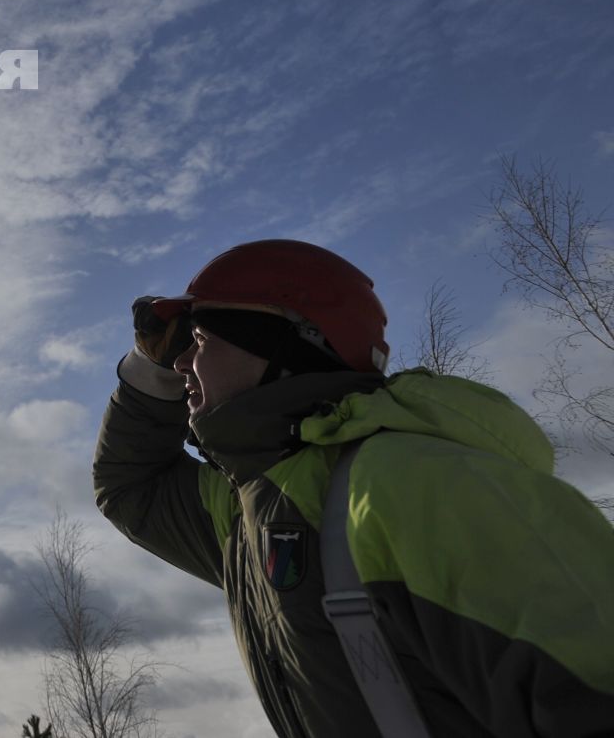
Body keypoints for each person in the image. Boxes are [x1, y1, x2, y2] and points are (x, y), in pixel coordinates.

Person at [92, 237, 614, 737]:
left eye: (199, 342)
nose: (180, 362)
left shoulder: (416, 480)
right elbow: (129, 484)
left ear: (282, 349)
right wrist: (149, 367)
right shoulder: (251, 510)